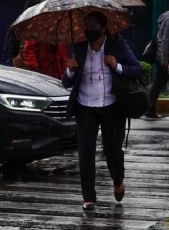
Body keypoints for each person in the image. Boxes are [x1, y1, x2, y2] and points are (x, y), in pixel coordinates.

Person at [61, 11, 142, 210]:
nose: (89, 30)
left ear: (104, 29)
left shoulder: (117, 45)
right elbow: (66, 82)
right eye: (86, 26)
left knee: (112, 149)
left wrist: (117, 66)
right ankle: (88, 197)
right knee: (85, 151)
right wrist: (70, 70)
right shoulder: (78, 47)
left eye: (93, 27)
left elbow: (137, 69)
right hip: (85, 106)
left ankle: (118, 180)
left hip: (112, 106)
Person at [145, 10, 169, 118]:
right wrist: (165, 61)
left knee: (157, 84)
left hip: (163, 58)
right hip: (165, 59)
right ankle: (149, 109)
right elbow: (165, 40)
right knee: (157, 84)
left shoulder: (165, 17)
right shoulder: (168, 19)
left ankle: (149, 110)